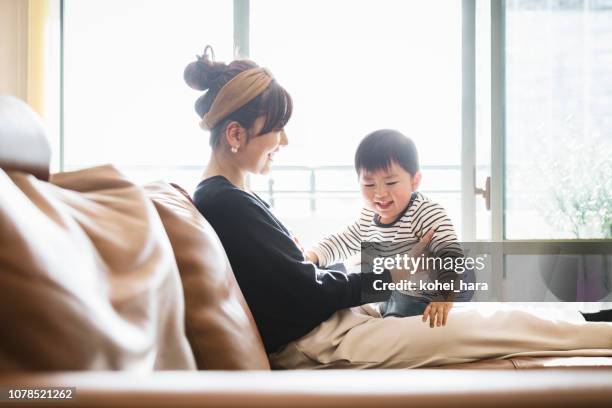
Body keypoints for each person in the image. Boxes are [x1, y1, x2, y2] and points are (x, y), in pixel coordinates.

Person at [187, 46, 612, 369]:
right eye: (275, 131)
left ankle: (595, 322)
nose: (283, 143)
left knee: (497, 316)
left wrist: (309, 261)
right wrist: (392, 274)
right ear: (237, 135)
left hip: (342, 321)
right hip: (327, 338)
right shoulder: (225, 203)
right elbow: (302, 295)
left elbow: (294, 281)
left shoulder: (226, 199)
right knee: (496, 327)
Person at [305, 129, 471, 326]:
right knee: (337, 275)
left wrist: (444, 297)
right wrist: (312, 255)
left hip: (428, 290)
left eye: (391, 182)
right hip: (395, 286)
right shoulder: (369, 214)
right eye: (369, 184)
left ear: (414, 181)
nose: (380, 193)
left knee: (400, 310)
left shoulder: (424, 212)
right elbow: (345, 239)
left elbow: (451, 255)